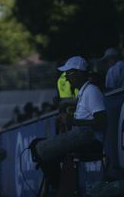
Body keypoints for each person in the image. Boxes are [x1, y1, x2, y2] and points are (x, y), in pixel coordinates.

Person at [30, 56, 107, 193]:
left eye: (68, 74)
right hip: (82, 138)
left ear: (78, 73)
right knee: (37, 145)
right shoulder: (84, 92)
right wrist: (68, 120)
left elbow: (102, 122)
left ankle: (58, 189)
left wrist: (72, 121)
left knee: (41, 149)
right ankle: (60, 188)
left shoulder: (92, 91)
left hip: (91, 141)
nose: (65, 78)